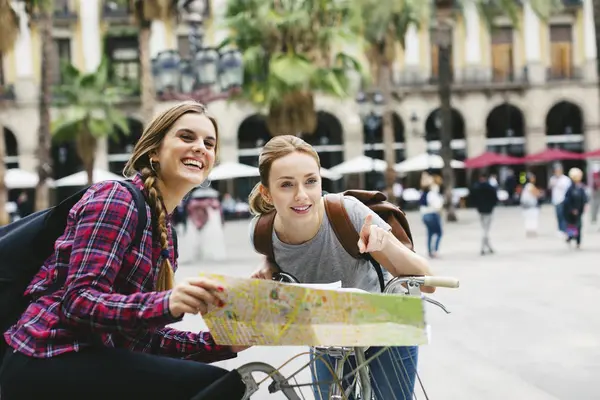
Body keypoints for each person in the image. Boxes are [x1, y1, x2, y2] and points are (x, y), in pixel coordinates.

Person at [0, 101, 247, 400]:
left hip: (90, 358)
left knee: (216, 381)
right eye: (186, 137)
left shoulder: (164, 231)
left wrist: (223, 343)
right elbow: (79, 302)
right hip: (46, 355)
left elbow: (139, 340)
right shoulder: (117, 199)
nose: (200, 148)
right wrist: (168, 302)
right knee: (216, 386)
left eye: (209, 143)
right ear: (154, 151)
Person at [247, 135, 433, 400]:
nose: (302, 195)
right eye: (286, 185)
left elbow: (429, 282)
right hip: (329, 329)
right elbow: (282, 254)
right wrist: (268, 263)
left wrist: (385, 244)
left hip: (388, 320)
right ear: (267, 192)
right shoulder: (261, 232)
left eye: (311, 181)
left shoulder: (347, 212)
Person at [471, 172, 498, 255]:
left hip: (480, 210)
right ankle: (483, 247)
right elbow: (495, 199)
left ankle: (488, 247)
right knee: (485, 230)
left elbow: (473, 199)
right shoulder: (490, 187)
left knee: (484, 228)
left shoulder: (476, 187)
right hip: (488, 210)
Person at [563, 168, 588, 249]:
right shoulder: (570, 188)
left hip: (579, 210)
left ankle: (578, 242)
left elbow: (584, 198)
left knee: (579, 226)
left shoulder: (581, 187)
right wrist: (572, 209)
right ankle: (570, 238)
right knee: (572, 225)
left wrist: (585, 205)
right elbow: (567, 200)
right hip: (571, 211)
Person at [420, 174, 444, 258]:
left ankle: (430, 251)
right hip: (433, 214)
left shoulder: (424, 192)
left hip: (424, 215)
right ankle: (435, 250)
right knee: (439, 233)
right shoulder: (433, 192)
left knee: (430, 233)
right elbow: (437, 205)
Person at [548, 165, 572, 236]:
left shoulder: (565, 179)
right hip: (556, 200)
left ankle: (565, 230)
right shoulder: (553, 179)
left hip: (563, 200)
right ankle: (560, 230)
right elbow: (550, 187)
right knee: (558, 215)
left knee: (564, 216)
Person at [520, 173, 541, 237]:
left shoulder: (527, 186)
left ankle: (530, 232)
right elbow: (537, 194)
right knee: (532, 219)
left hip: (527, 206)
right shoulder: (530, 185)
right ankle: (532, 232)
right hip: (531, 206)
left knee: (529, 219)